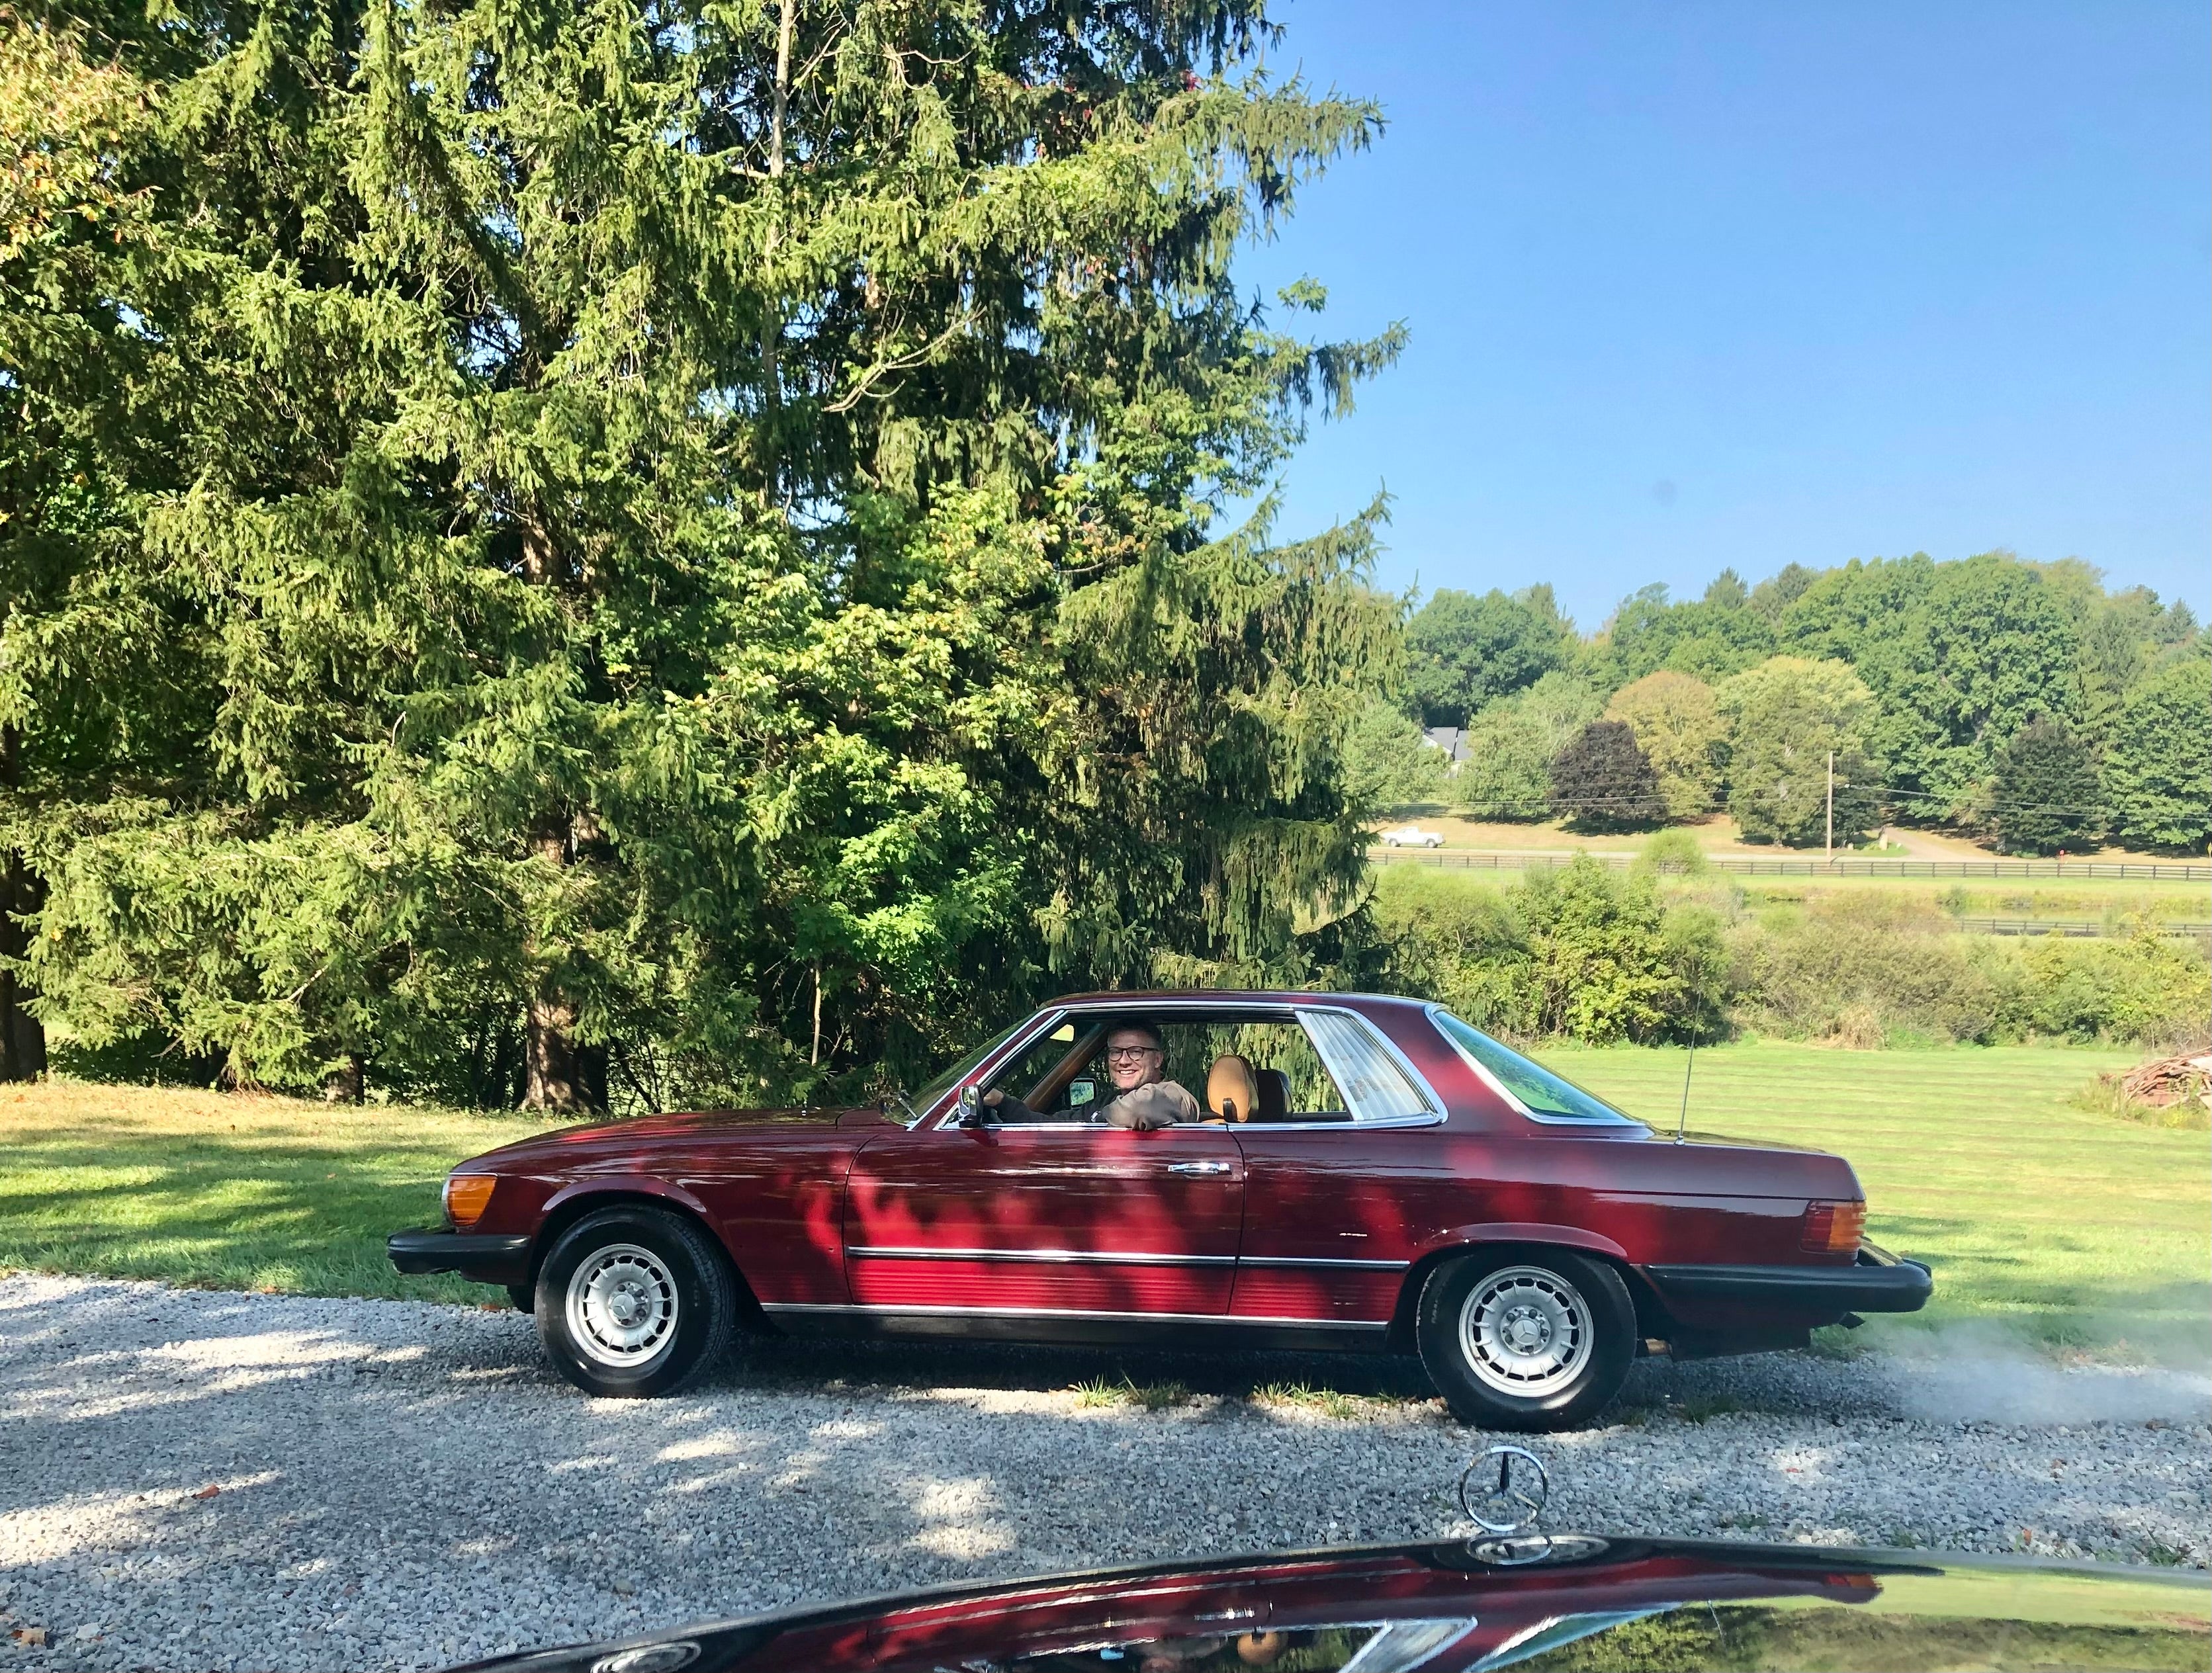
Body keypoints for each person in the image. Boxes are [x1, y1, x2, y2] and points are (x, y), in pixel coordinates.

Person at [983, 1021, 1201, 1129]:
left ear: (1157, 1059)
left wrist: (1097, 1119)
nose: (1123, 1061)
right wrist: (1002, 1102)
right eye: (1116, 1052)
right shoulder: (1107, 1101)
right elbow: (1050, 1126)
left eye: (1136, 1051)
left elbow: (1141, 1108)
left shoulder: (1173, 1094)